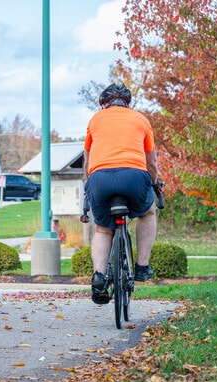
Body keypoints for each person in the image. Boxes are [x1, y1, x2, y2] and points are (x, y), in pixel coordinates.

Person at [83, 83, 160, 305]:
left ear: (104, 103)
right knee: (148, 213)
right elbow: (151, 162)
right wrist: (154, 183)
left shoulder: (95, 120)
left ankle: (99, 275)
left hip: (100, 178)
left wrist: (91, 182)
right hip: (134, 176)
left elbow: (87, 160)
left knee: (103, 230)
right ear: (127, 103)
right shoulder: (141, 119)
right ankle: (142, 266)